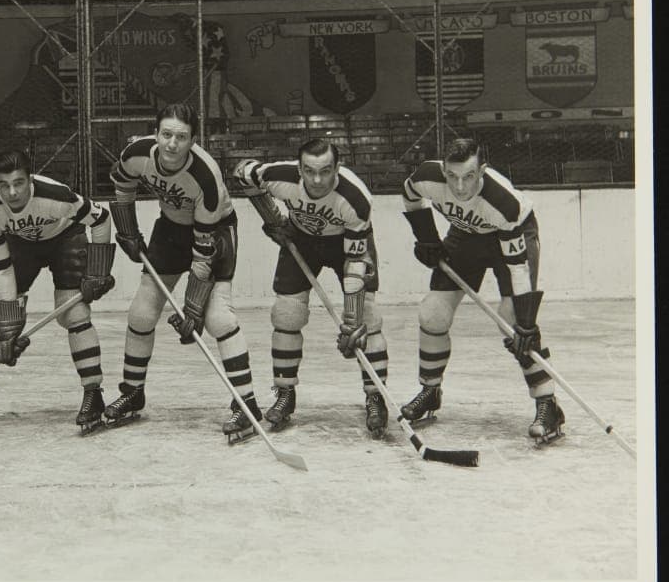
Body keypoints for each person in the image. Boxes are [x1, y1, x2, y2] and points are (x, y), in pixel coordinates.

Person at [105, 103, 262, 442]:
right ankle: (132, 393)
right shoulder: (136, 154)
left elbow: (203, 253)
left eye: (181, 137)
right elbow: (122, 184)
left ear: (193, 140)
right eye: (166, 135)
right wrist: (127, 229)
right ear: (155, 133)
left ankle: (246, 405)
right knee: (141, 313)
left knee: (219, 319)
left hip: (214, 233)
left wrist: (193, 308)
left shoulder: (205, 178)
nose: (172, 144)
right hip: (171, 228)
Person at [400, 137, 564, 443]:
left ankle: (548, 403)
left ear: (483, 171)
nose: (460, 187)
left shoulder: (503, 203)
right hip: (465, 235)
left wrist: (526, 321)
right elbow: (409, 194)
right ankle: (430, 390)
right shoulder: (426, 177)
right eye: (452, 176)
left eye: (469, 176)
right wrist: (426, 237)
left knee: (512, 321)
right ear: (443, 170)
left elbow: (517, 267)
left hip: (512, 235)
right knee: (432, 313)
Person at [0, 149, 116, 434]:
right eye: (4, 185)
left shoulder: (57, 197)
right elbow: (2, 270)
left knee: (73, 313)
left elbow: (101, 218)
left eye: (19, 183)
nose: (12, 192)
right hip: (22, 245)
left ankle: (93, 393)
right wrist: (9, 323)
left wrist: (98, 272)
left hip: (65, 237)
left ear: (31, 179)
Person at [233, 139, 390, 438]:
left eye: (325, 171)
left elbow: (356, 262)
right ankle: (285, 393)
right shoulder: (281, 177)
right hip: (301, 239)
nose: (317, 180)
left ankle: (375, 396)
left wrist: (352, 318)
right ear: (299, 168)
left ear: (338, 168)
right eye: (309, 171)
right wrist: (271, 217)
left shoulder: (355, 199)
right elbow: (243, 172)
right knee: (286, 314)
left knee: (367, 320)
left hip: (347, 245)